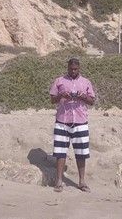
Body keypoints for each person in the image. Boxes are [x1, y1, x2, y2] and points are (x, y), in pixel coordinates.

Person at [49, 58, 96, 193]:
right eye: (71, 69)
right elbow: (52, 100)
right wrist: (61, 95)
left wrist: (82, 96)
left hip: (80, 121)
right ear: (68, 68)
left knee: (81, 153)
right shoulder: (59, 81)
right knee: (60, 152)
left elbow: (92, 101)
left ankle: (82, 182)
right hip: (62, 121)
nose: (73, 71)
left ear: (79, 68)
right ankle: (59, 182)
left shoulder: (86, 82)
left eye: (75, 69)